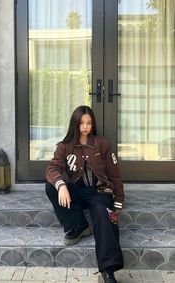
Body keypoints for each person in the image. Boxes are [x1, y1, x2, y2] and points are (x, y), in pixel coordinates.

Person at [45, 105, 124, 283]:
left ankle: (109, 271)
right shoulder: (64, 146)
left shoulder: (102, 144)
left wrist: (118, 203)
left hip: (100, 193)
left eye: (89, 123)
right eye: (81, 123)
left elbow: (115, 174)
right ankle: (79, 225)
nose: (85, 127)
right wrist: (61, 185)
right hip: (78, 191)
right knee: (51, 187)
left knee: (103, 217)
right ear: (75, 124)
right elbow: (52, 169)